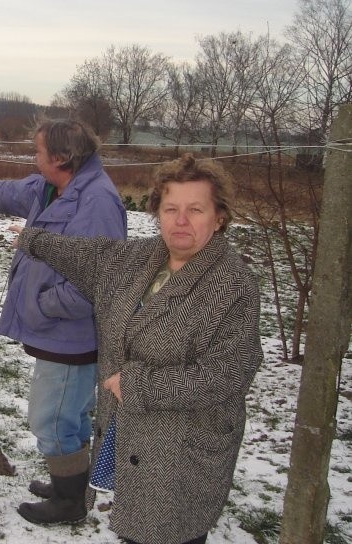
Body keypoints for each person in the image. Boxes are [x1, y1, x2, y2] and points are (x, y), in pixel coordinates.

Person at [14, 153, 263, 544]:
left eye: (195, 209)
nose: (181, 221)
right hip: (132, 433)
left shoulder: (232, 286)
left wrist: (138, 385)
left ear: (218, 217)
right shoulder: (141, 258)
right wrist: (33, 239)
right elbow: (89, 256)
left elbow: (227, 374)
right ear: (157, 213)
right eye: (171, 208)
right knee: (138, 527)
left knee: (168, 532)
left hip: (181, 448)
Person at [0, 119, 127, 525]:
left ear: (60, 157)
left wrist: (42, 305)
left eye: (38, 152)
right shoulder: (54, 188)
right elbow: (11, 191)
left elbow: (99, 281)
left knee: (51, 417)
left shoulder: (95, 204)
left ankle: (70, 503)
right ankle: (68, 485)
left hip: (70, 336)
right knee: (69, 414)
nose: (33, 159)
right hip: (57, 333)